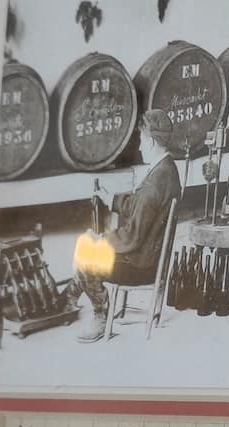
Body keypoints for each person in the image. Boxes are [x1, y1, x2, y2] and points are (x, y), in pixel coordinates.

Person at [63, 109, 181, 342]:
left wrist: (100, 240)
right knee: (87, 246)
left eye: (141, 141)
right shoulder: (167, 169)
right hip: (149, 256)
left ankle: (100, 315)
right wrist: (114, 200)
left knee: (85, 253)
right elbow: (143, 207)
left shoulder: (155, 183)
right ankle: (71, 294)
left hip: (140, 265)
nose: (139, 147)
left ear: (152, 141)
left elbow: (132, 236)